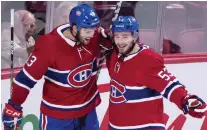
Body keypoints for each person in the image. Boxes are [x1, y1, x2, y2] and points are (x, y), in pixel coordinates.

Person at [2, 4, 110, 130]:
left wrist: (111, 38)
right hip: (58, 116)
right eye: (87, 31)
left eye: (93, 30)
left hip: (88, 111)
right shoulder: (49, 45)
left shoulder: (93, 34)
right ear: (74, 28)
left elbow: (114, 43)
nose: (91, 35)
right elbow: (25, 80)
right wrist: (14, 105)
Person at [105, 16, 207, 130]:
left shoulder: (147, 60)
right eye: (117, 36)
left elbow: (169, 85)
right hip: (115, 126)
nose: (120, 41)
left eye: (125, 36)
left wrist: (186, 100)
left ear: (135, 36)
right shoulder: (113, 54)